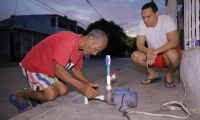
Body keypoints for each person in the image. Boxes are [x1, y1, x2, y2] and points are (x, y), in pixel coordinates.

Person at [8, 29, 108, 112]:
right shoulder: (68, 41)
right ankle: (20, 95)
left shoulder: (81, 50)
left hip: (49, 69)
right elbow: (58, 71)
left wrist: (90, 84)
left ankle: (36, 93)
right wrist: (82, 86)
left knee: (63, 90)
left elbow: (77, 69)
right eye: (96, 49)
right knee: (51, 95)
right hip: (35, 66)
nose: (95, 53)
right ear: (90, 39)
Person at [131, 2, 181, 88]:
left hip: (167, 54)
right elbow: (139, 44)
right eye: (143, 17)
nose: (145, 20)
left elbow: (174, 42)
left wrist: (155, 51)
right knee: (135, 56)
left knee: (172, 54)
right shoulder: (141, 24)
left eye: (148, 17)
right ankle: (152, 73)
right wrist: (147, 51)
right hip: (153, 57)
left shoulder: (167, 20)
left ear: (157, 13)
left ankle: (168, 74)